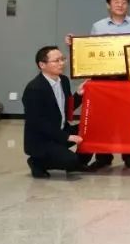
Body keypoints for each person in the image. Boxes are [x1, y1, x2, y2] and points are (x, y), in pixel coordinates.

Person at [64, 0, 130, 170]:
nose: (120, 5)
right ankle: (104, 156)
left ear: (128, 5)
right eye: (116, 1)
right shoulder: (98, 26)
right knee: (103, 118)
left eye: (124, 2)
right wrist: (74, 44)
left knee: (128, 118)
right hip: (103, 79)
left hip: (127, 79)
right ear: (108, 5)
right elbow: (90, 51)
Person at [22, 46, 88, 178]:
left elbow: (67, 108)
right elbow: (38, 123)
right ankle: (36, 162)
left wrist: (79, 94)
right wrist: (67, 137)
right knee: (71, 160)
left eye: (62, 59)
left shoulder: (63, 81)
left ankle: (77, 162)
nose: (62, 63)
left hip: (60, 130)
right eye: (56, 60)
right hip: (42, 139)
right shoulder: (34, 89)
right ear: (42, 65)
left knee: (90, 129)